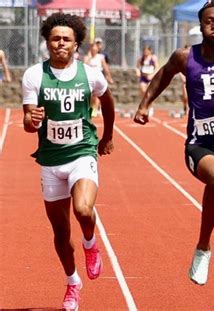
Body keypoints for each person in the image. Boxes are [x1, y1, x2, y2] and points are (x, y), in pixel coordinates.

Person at [133, 1, 214, 306]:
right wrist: (144, 104)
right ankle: (203, 247)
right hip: (199, 143)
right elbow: (163, 75)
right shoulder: (185, 56)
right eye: (209, 21)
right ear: (201, 24)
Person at [21, 12, 115, 310]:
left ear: (77, 44)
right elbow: (27, 120)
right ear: (47, 42)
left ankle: (90, 242)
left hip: (81, 152)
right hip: (50, 160)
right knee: (60, 233)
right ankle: (73, 282)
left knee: (83, 209)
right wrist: (31, 120)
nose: (60, 43)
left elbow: (108, 100)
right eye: (55, 38)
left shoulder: (90, 74)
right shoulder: (34, 75)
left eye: (66, 39)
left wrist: (108, 135)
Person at [84, 42, 114, 117]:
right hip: (89, 77)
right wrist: (89, 57)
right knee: (90, 94)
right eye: (92, 48)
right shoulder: (87, 57)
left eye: (95, 48)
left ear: (97, 49)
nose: (94, 49)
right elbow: (84, 65)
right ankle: (91, 107)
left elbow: (105, 68)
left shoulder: (101, 57)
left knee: (98, 94)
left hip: (98, 77)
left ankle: (95, 108)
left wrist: (109, 77)